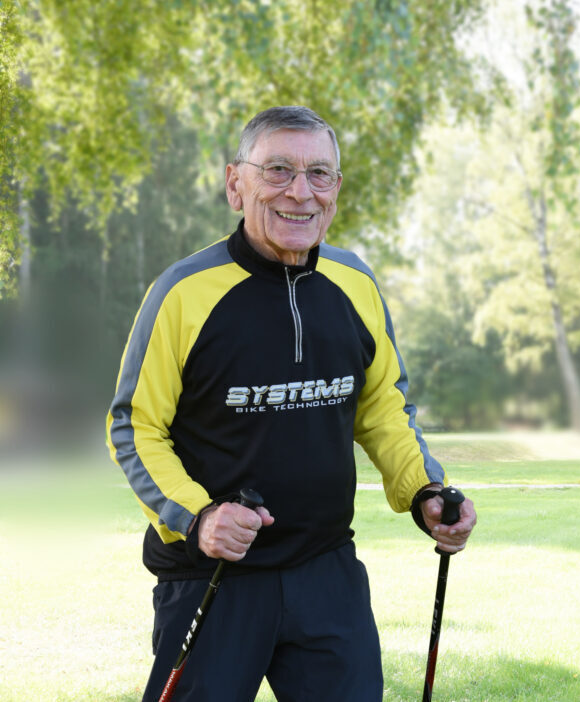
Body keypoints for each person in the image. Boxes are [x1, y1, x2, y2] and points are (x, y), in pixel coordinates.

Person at [106, 105, 477, 702]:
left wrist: (425, 493)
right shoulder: (182, 293)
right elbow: (134, 427)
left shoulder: (355, 283)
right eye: (277, 170)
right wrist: (200, 518)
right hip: (214, 577)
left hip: (326, 571)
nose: (300, 193)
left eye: (319, 174)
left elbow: (381, 406)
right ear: (236, 184)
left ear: (335, 189)